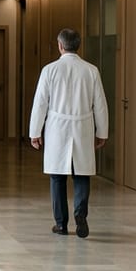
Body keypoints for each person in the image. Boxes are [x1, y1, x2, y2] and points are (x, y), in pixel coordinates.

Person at [28, 28, 109, 238]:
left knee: (57, 177)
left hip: (58, 127)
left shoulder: (50, 70)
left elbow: (40, 103)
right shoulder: (91, 70)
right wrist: (102, 132)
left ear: (60, 45)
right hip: (83, 126)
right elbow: (100, 104)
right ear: (78, 45)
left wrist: (35, 132)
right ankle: (80, 215)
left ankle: (61, 224)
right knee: (81, 174)